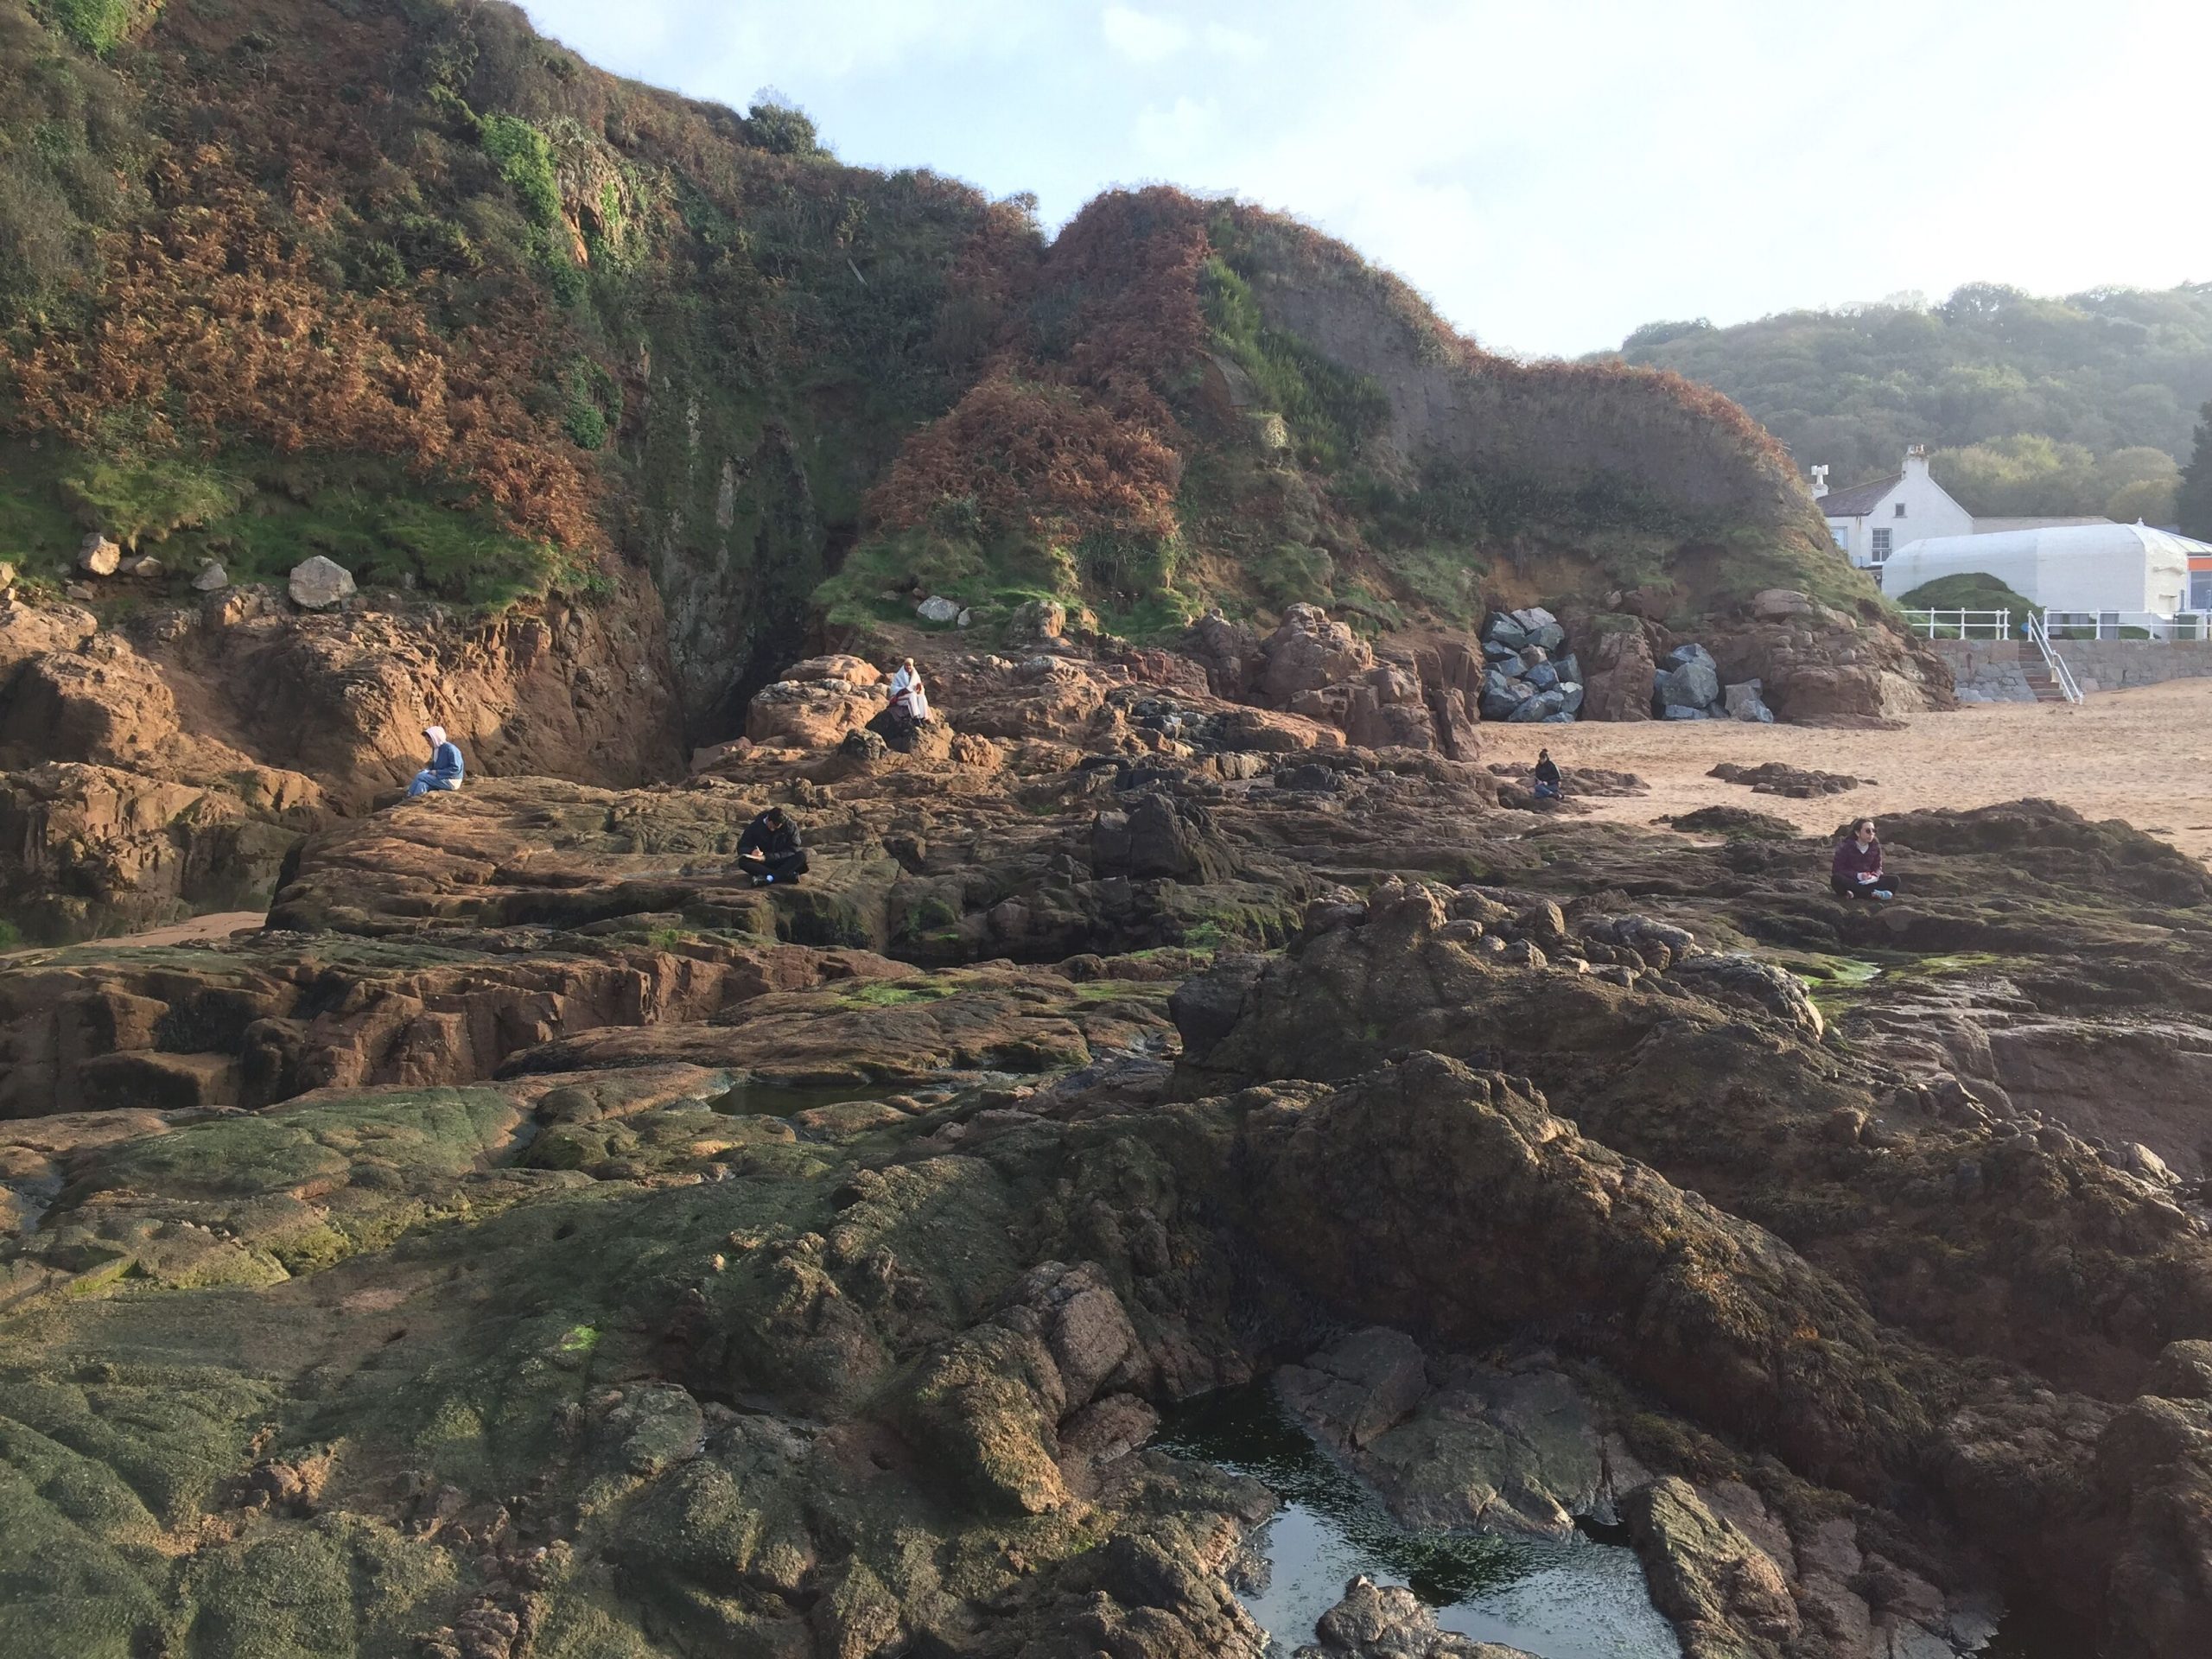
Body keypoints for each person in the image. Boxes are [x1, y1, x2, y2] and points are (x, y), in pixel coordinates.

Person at [736, 804, 809, 887]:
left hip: (782, 861)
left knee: (801, 856)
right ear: (768, 819)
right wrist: (752, 851)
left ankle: (769, 878)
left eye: (776, 828)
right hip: (763, 864)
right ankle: (785, 876)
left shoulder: (790, 827)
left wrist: (767, 857)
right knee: (743, 862)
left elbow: (792, 850)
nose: (772, 829)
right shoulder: (755, 826)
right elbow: (742, 846)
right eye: (771, 826)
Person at [1830, 818, 1893, 900]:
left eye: (1873, 831)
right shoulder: (1845, 846)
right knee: (1836, 879)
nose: (1871, 834)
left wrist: (1874, 876)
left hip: (1869, 881)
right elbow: (1837, 870)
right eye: (1868, 831)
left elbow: (1878, 867)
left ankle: (1857, 894)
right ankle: (1871, 894)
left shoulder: (1875, 845)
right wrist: (1858, 875)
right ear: (1857, 833)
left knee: (1894, 880)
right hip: (1852, 880)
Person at [407, 725, 465, 798]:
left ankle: (408, 796)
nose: (428, 743)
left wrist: (437, 772)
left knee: (420, 776)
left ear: (435, 738)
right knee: (421, 785)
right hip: (441, 778)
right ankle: (415, 802)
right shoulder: (437, 749)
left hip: (451, 781)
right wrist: (428, 771)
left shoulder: (451, 749)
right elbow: (436, 766)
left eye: (429, 740)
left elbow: (456, 769)